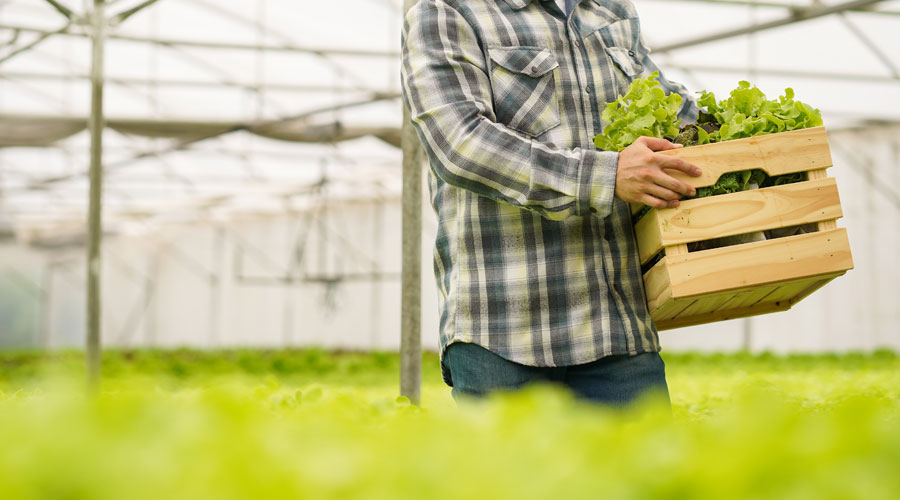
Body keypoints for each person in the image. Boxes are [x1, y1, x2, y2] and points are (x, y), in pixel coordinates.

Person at [401, 0, 703, 406]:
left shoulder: (610, 11)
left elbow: (664, 106)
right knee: (509, 472)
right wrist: (607, 175)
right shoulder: (447, 12)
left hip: (617, 327)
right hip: (503, 330)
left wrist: (759, 134)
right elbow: (461, 144)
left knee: (644, 470)